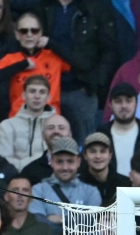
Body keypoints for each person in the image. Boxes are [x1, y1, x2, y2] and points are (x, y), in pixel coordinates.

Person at [36, 0, 116, 142]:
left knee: (87, 146)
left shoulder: (95, 7)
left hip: (81, 90)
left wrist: (96, 81)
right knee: (43, 144)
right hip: (45, 91)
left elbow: (110, 50)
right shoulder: (43, 6)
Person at [29, 137, 101, 222]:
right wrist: (78, 219)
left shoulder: (91, 192)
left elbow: (90, 224)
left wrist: (55, 219)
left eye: (70, 161)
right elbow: (39, 225)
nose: (65, 167)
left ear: (78, 162)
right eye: (59, 161)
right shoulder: (38, 191)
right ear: (51, 161)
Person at [0, 76, 54, 171]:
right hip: (16, 180)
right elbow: (3, 161)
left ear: (48, 97)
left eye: (42, 92)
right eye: (32, 91)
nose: (37, 96)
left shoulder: (58, 127)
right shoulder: (7, 126)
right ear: (23, 95)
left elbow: (58, 159)